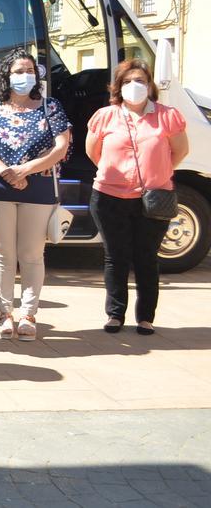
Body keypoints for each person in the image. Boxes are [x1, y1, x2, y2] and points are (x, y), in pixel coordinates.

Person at [0, 48, 72, 340]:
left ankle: (28, 314)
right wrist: (7, 172)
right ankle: (4, 314)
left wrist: (24, 170)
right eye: (18, 71)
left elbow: (60, 148)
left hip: (37, 190)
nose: (24, 76)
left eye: (29, 71)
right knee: (2, 253)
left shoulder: (51, 107)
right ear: (5, 75)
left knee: (31, 254)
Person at [86, 59, 188, 335]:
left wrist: (156, 172)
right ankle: (115, 314)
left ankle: (145, 317)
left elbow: (179, 151)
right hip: (109, 197)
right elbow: (93, 152)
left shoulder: (168, 116)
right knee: (115, 256)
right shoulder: (105, 116)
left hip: (153, 198)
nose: (135, 86)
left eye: (140, 80)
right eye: (128, 81)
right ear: (118, 86)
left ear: (150, 84)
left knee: (146, 257)